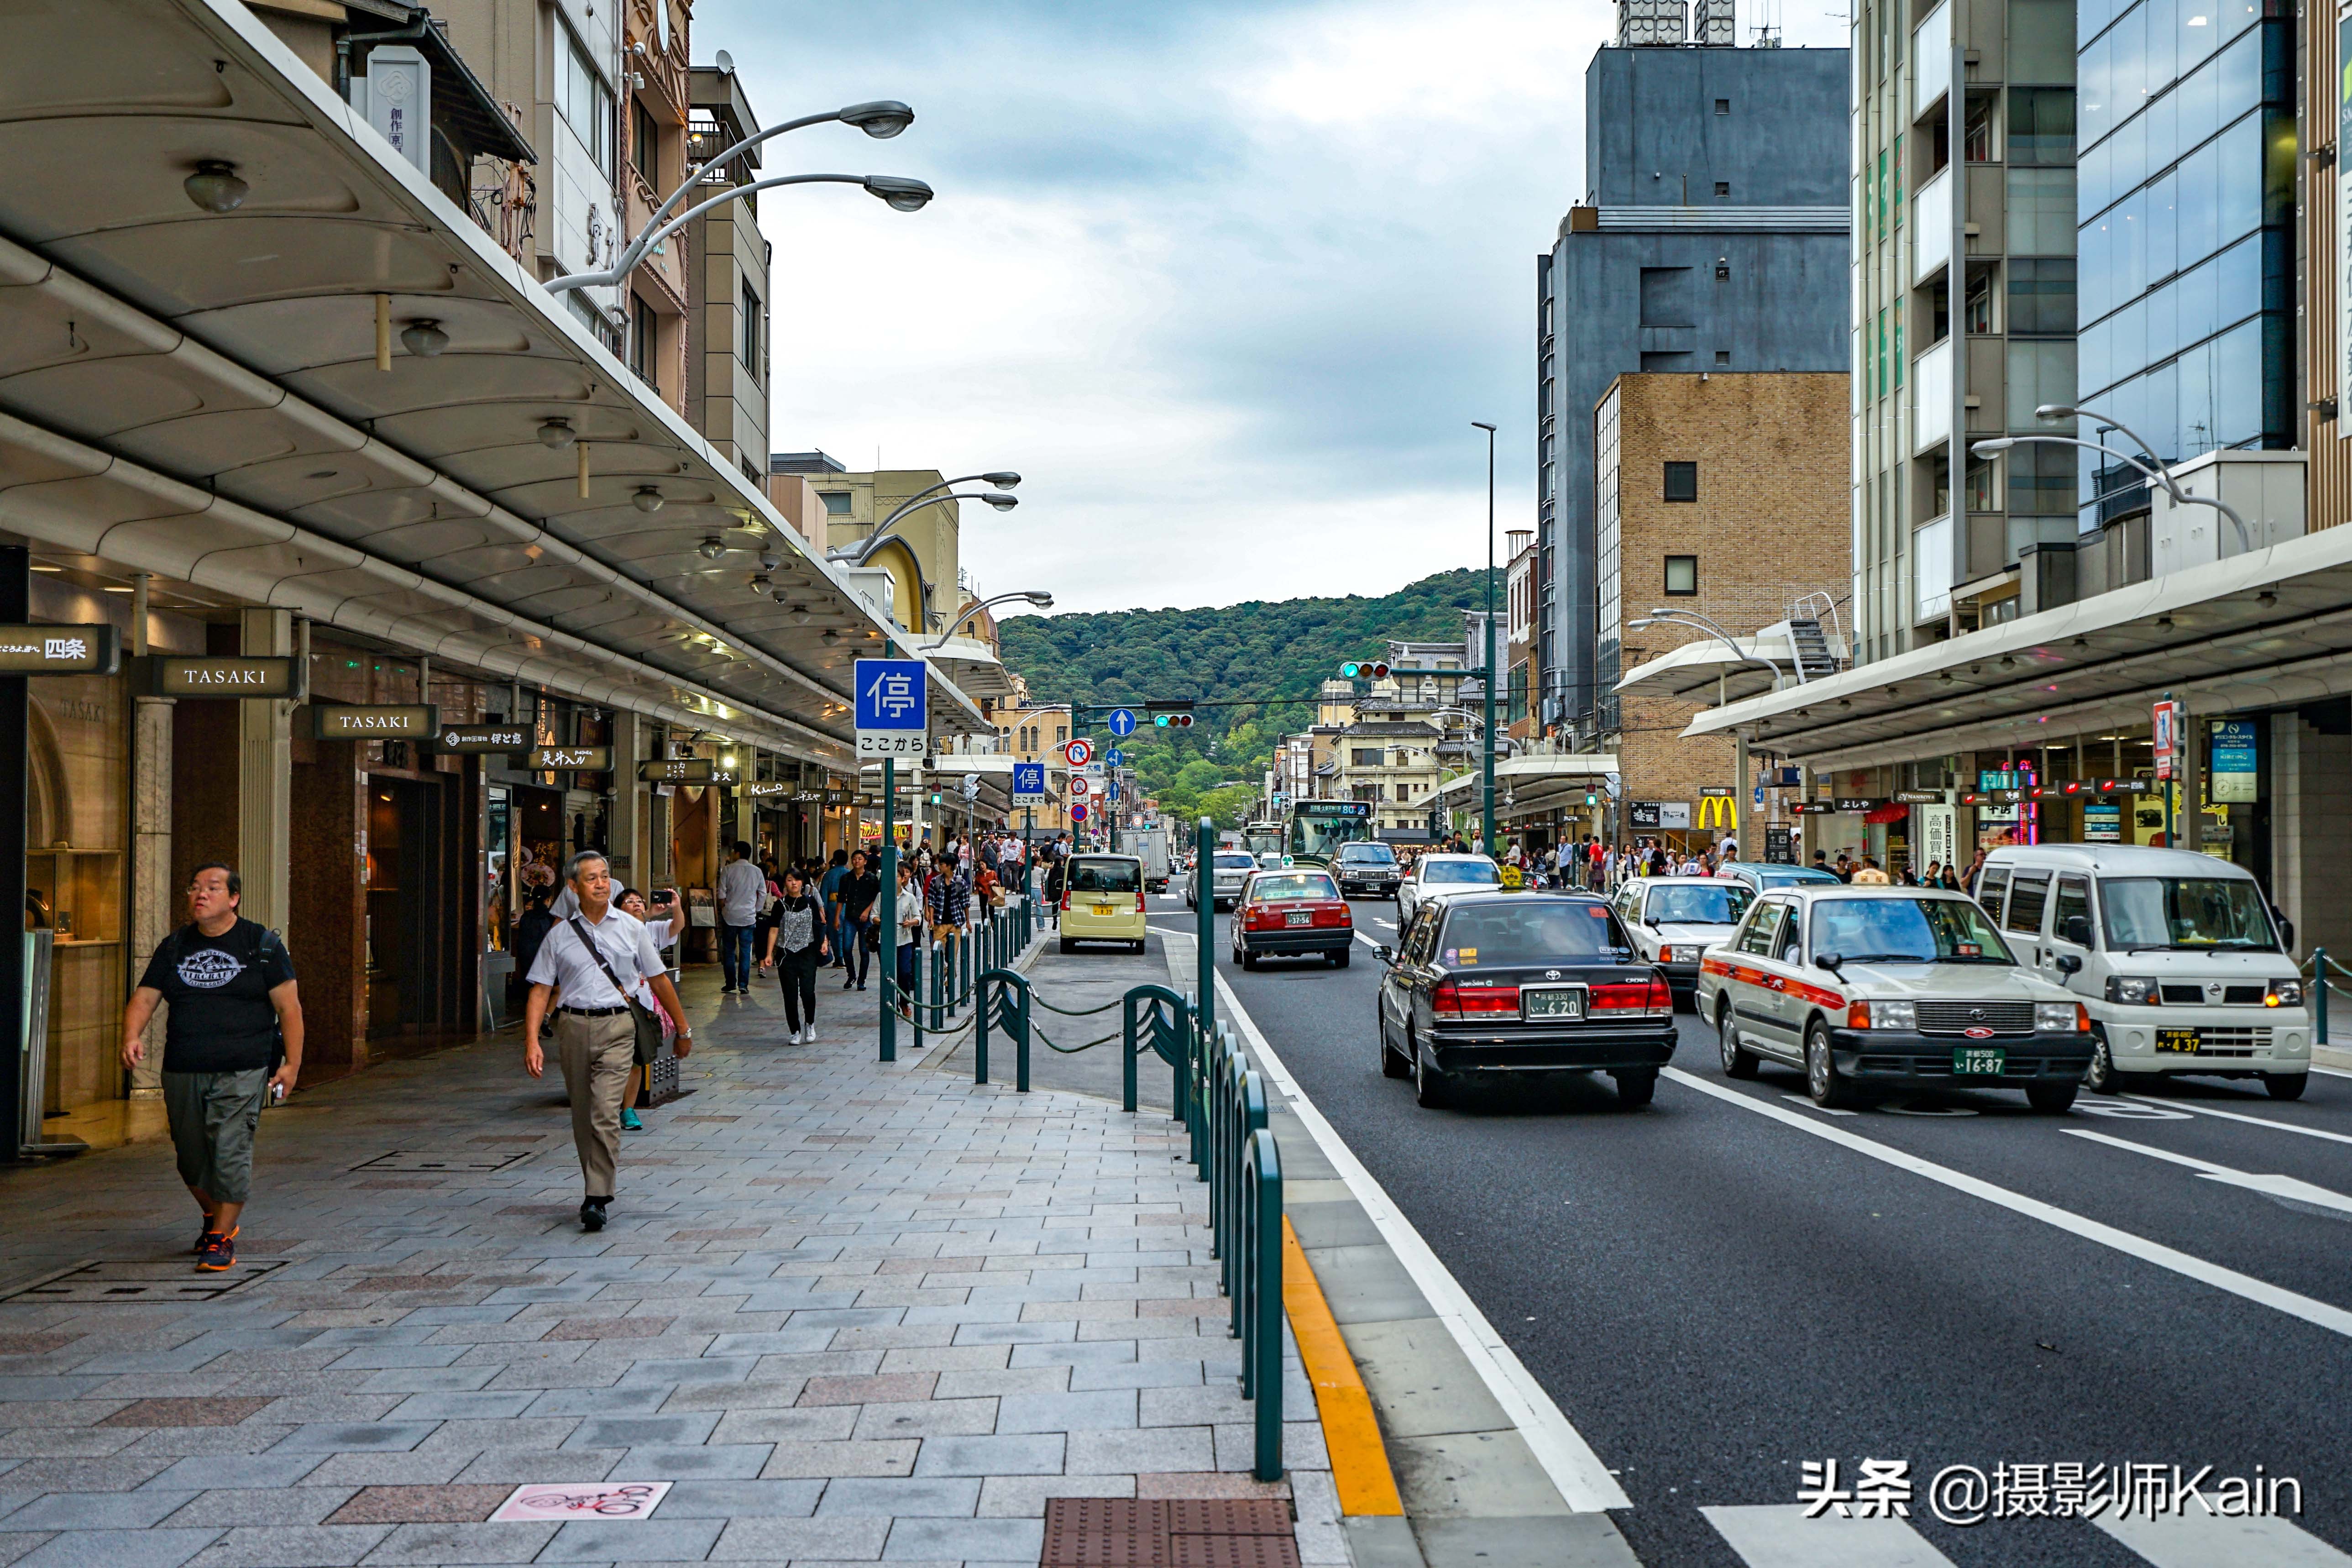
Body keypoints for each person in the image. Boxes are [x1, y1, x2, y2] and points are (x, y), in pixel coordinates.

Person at [120, 863, 302, 1274]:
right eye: (194, 887)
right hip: (183, 1067)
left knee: (230, 1149)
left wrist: (291, 1064)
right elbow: (146, 998)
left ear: (233, 898)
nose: (200, 894)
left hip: (242, 1068)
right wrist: (131, 1035)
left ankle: (221, 1237)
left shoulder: (262, 945)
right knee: (191, 1159)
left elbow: (289, 1008)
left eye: (212, 888)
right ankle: (214, 1215)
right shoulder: (174, 947)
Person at [524, 851, 689, 1232]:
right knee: (584, 1115)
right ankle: (593, 1184)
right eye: (591, 878)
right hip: (573, 1027)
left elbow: (659, 979)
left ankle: (597, 1196)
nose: (601, 883)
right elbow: (540, 989)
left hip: (619, 1027)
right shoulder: (561, 934)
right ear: (572, 886)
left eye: (604, 877)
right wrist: (532, 1040)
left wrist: (683, 1030)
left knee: (603, 1111)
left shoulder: (631, 929)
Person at [613, 886, 679, 1133]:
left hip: (642, 1005)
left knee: (637, 1059)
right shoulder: (607, 934)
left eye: (640, 901)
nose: (637, 904)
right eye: (630, 901)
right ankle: (608, 1107)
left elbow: (659, 978)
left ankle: (628, 1109)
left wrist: (675, 906)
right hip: (612, 1004)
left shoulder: (648, 930)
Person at [760, 868, 830, 1042]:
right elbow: (774, 930)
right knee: (790, 994)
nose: (794, 884)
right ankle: (795, 1031)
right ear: (785, 883)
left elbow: (821, 924)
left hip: (808, 952)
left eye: (797, 880)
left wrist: (825, 942)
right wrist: (769, 954)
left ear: (802, 883)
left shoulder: (810, 902)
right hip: (786, 954)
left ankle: (810, 1024)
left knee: (808, 992)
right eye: (790, 880)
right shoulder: (780, 905)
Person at [716, 841, 764, 995]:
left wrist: (724, 907)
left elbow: (721, 893)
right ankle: (744, 984)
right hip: (749, 917)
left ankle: (730, 984)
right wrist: (756, 910)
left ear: (737, 853)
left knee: (729, 951)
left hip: (730, 916)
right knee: (745, 951)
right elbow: (762, 893)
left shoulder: (728, 870)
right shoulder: (757, 871)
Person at [838, 850, 880, 991]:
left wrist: (867, 911)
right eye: (854, 859)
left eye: (860, 859)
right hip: (850, 917)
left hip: (865, 919)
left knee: (864, 950)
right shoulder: (846, 878)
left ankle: (862, 980)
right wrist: (837, 917)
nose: (857, 861)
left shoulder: (872, 878)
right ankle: (852, 975)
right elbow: (841, 899)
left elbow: (876, 898)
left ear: (865, 861)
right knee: (847, 948)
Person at [895, 859, 926, 1016]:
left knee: (905, 970)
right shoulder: (884, 894)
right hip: (888, 939)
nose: (904, 876)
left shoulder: (913, 891)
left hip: (907, 935)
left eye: (906, 873)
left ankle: (904, 1000)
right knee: (890, 973)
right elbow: (875, 913)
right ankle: (892, 1003)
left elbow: (918, 912)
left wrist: (912, 922)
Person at [818, 849, 852, 971]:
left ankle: (839, 957)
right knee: (845, 932)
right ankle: (844, 956)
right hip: (847, 906)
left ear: (835, 860)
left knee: (835, 932)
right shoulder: (849, 874)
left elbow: (824, 893)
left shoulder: (829, 875)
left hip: (833, 905)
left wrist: (823, 911)